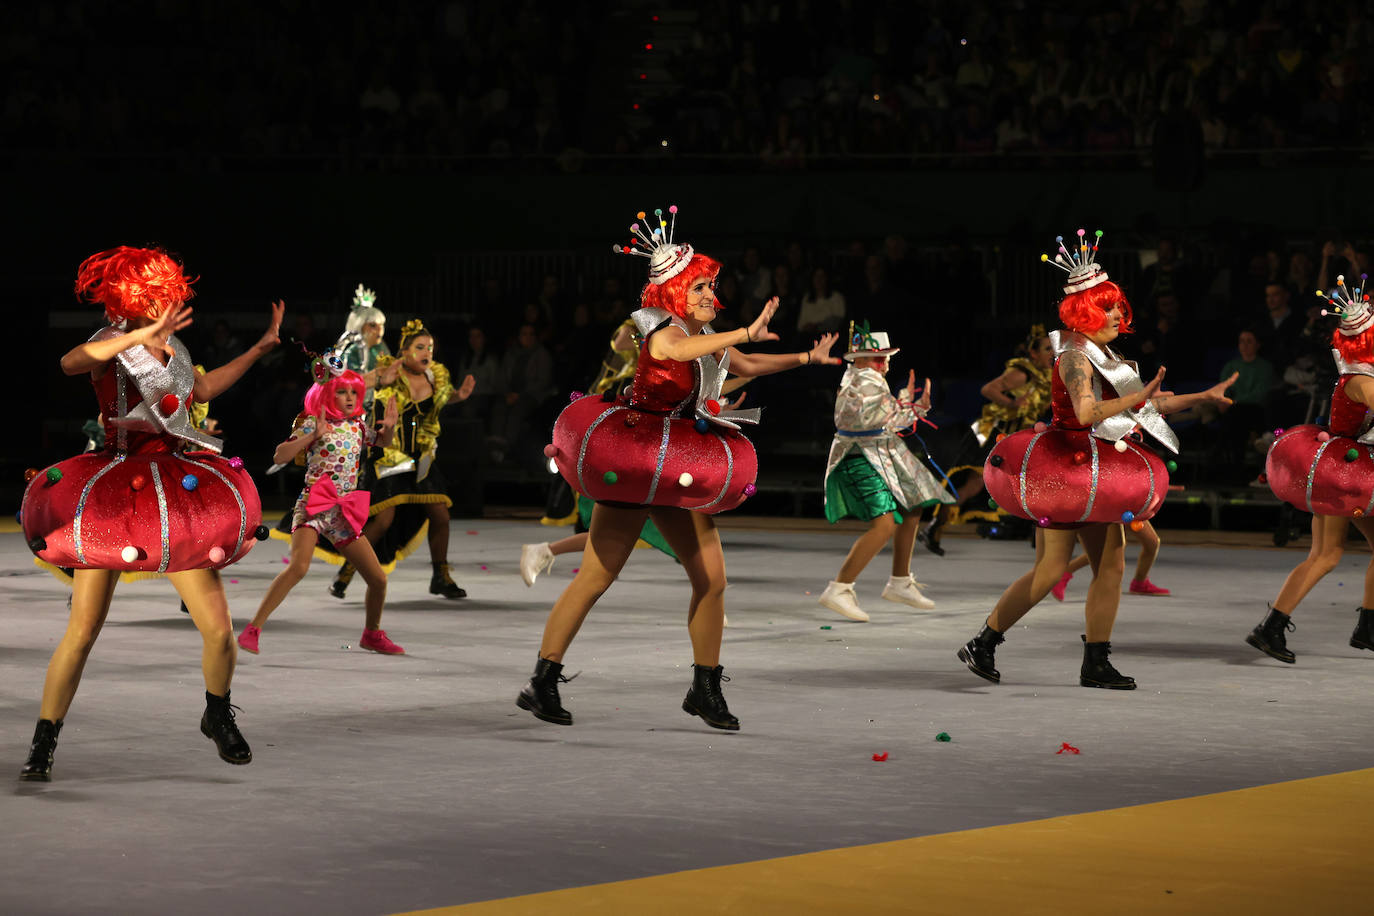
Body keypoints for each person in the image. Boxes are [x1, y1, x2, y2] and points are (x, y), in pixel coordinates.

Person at [515, 205, 840, 730]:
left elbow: (746, 366)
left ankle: (704, 687)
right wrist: (742, 334)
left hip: (673, 465)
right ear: (672, 295)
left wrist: (806, 359)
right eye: (700, 289)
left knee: (711, 579)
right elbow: (684, 349)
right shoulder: (661, 332)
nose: (711, 295)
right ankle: (542, 680)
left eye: (711, 286)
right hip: (637, 456)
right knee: (597, 577)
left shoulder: (700, 336)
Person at [18, 245, 282, 780]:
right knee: (84, 629)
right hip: (114, 492)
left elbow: (202, 390)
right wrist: (137, 337)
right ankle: (43, 743)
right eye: (155, 295)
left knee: (218, 629)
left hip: (175, 490)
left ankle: (216, 713)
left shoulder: (177, 347)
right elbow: (70, 363)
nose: (166, 302)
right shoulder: (110, 342)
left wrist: (259, 348)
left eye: (169, 294)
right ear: (133, 296)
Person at [961, 230, 1235, 689]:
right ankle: (995, 643)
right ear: (1084, 312)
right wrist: (1137, 401)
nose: (1116, 314)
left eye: (1116, 306)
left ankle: (1081, 658)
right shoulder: (1073, 357)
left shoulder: (1103, 353)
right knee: (1064, 568)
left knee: (1103, 564)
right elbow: (1088, 413)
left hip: (1090, 471)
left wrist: (1202, 396)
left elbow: (1148, 405)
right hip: (1070, 469)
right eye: (1106, 307)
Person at [238, 363, 401, 655]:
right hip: (314, 505)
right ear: (327, 394)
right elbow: (280, 454)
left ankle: (372, 634)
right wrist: (311, 436)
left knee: (378, 579)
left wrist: (389, 429)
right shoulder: (313, 422)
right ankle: (254, 628)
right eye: (342, 392)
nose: (350, 397)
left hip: (342, 512)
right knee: (298, 568)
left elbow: (382, 442)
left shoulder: (359, 424)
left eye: (354, 391)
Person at [1253, 276, 1374, 663]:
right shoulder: (1360, 381)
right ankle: (1270, 628)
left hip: (1348, 471)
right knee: (1325, 555)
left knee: (1329, 553)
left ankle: (1367, 628)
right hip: (1339, 475)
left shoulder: (1362, 376)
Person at [329, 320, 476, 599]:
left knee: (440, 513)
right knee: (383, 520)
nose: (427, 352)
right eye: (420, 347)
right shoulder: (390, 370)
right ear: (404, 352)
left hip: (421, 456)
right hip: (390, 455)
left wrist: (460, 396)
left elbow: (441, 402)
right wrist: (378, 379)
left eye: (430, 348)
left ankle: (440, 576)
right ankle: (347, 571)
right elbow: (352, 383)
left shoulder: (436, 376)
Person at [817, 322, 951, 622]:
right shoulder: (863, 379)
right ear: (861, 359)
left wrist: (914, 408)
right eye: (880, 358)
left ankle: (900, 582)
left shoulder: (866, 378)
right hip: (858, 457)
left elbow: (883, 420)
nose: (885, 363)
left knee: (913, 505)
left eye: (887, 357)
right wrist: (910, 406)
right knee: (884, 526)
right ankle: (839, 587)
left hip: (875, 453)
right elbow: (871, 420)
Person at [920, 324, 1054, 554]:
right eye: (1047, 349)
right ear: (1033, 353)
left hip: (1017, 436)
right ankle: (934, 526)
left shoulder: (1047, 377)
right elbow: (988, 390)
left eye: (1053, 349)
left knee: (1026, 480)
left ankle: (1038, 532)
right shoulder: (1022, 373)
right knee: (974, 484)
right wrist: (1013, 403)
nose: (1052, 353)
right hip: (993, 432)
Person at [336, 283, 390, 407]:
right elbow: (351, 384)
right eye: (372, 325)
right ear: (359, 326)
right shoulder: (352, 352)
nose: (379, 330)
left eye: (381, 325)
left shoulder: (381, 349)